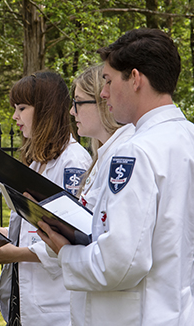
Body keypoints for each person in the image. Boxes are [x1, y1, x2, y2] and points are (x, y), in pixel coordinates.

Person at [38, 29, 194, 325]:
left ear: (135, 79)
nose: (103, 93)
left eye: (109, 81)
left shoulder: (137, 151)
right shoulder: (190, 137)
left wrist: (65, 252)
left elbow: (120, 262)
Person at [0, 71, 91, 325]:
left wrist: (14, 254)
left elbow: (71, 239)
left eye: (22, 108)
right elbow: (30, 230)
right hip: (27, 303)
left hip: (55, 308)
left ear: (45, 110)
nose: (15, 117)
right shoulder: (37, 164)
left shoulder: (73, 162)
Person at [68, 65, 135, 325]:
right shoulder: (102, 157)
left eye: (78, 103)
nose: (71, 111)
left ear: (103, 102)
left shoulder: (125, 155)